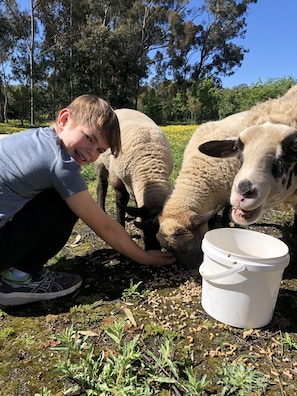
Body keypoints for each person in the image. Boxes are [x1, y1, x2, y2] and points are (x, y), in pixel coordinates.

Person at [0, 94, 175, 307]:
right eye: (89, 138)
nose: (91, 153)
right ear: (64, 119)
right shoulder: (61, 165)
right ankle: (17, 280)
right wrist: (144, 257)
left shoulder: (35, 138)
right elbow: (105, 226)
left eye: (100, 150)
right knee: (64, 203)